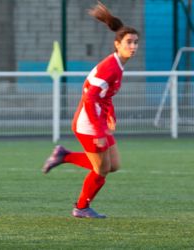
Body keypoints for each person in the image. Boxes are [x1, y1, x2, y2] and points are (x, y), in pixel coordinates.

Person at [42, 1, 139, 218]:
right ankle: (81, 207)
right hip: (88, 123)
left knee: (113, 165)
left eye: (135, 42)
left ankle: (64, 155)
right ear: (117, 44)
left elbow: (104, 96)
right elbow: (89, 98)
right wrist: (97, 132)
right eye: (128, 42)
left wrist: (110, 115)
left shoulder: (118, 65)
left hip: (98, 120)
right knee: (101, 169)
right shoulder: (111, 68)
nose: (133, 46)